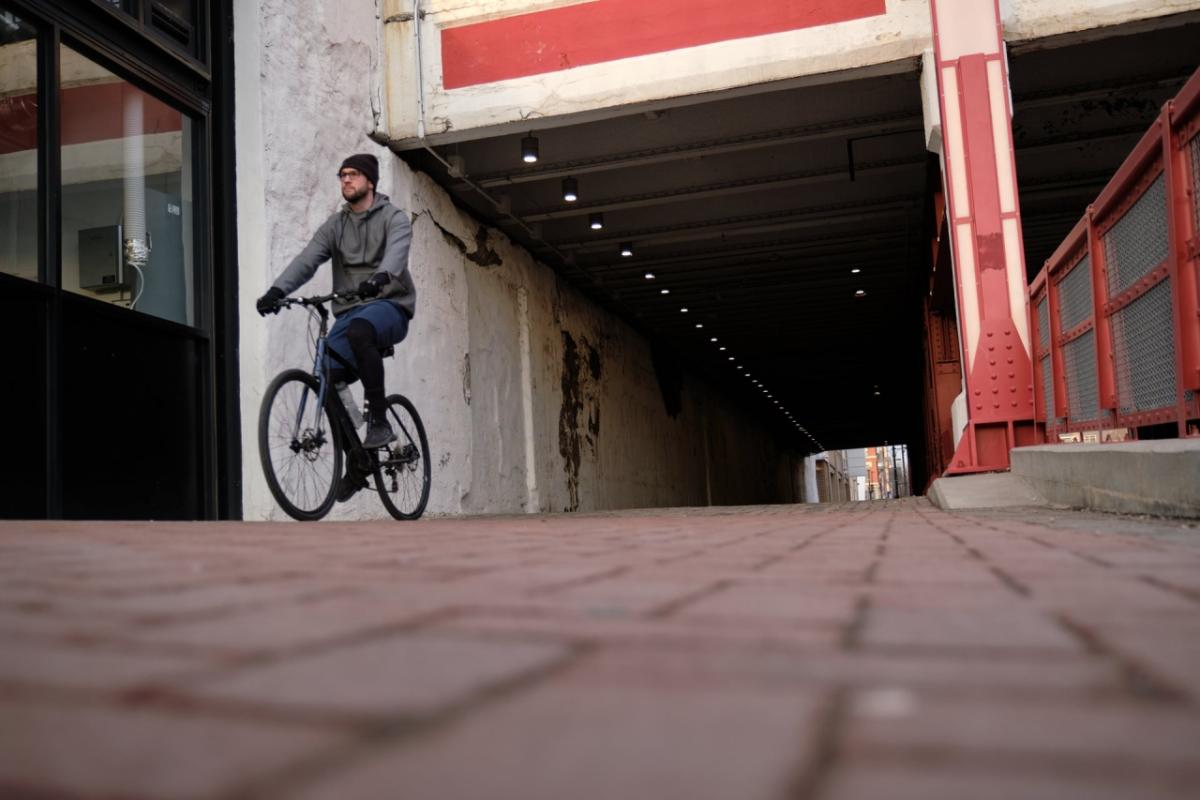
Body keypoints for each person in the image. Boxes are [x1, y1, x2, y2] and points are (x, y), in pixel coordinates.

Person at [256, 152, 415, 501]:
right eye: (342, 175)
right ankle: (357, 459)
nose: (346, 180)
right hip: (351, 312)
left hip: (389, 306)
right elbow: (308, 260)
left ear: (370, 181)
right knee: (325, 372)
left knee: (360, 330)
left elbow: (397, 256)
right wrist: (277, 291)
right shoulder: (335, 226)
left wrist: (380, 278)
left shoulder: (394, 219)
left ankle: (380, 422)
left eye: (354, 175)